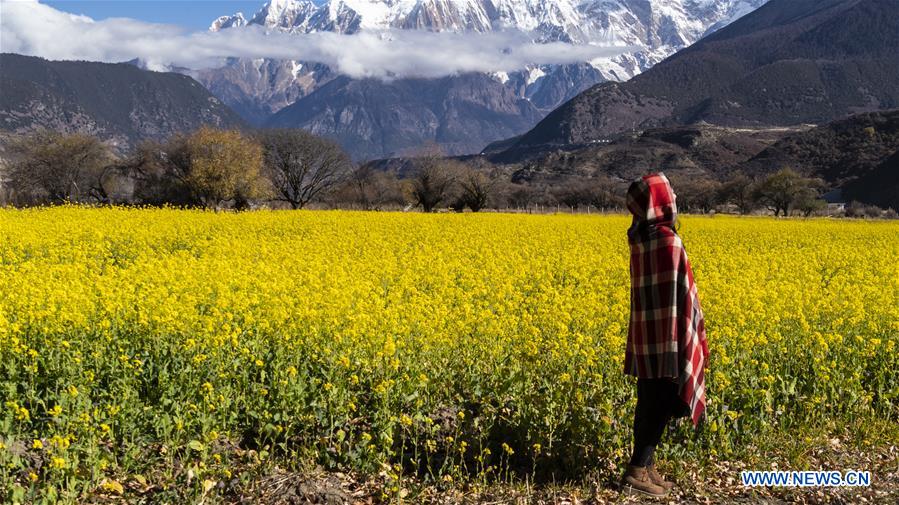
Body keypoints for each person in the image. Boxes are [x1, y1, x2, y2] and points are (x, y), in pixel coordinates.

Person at [620, 172, 709, 497]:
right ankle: (636, 470)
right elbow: (682, 290)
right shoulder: (667, 240)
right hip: (669, 334)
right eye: (668, 196)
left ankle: (647, 465)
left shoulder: (641, 236)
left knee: (650, 399)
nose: (673, 201)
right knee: (659, 401)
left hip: (648, 332)